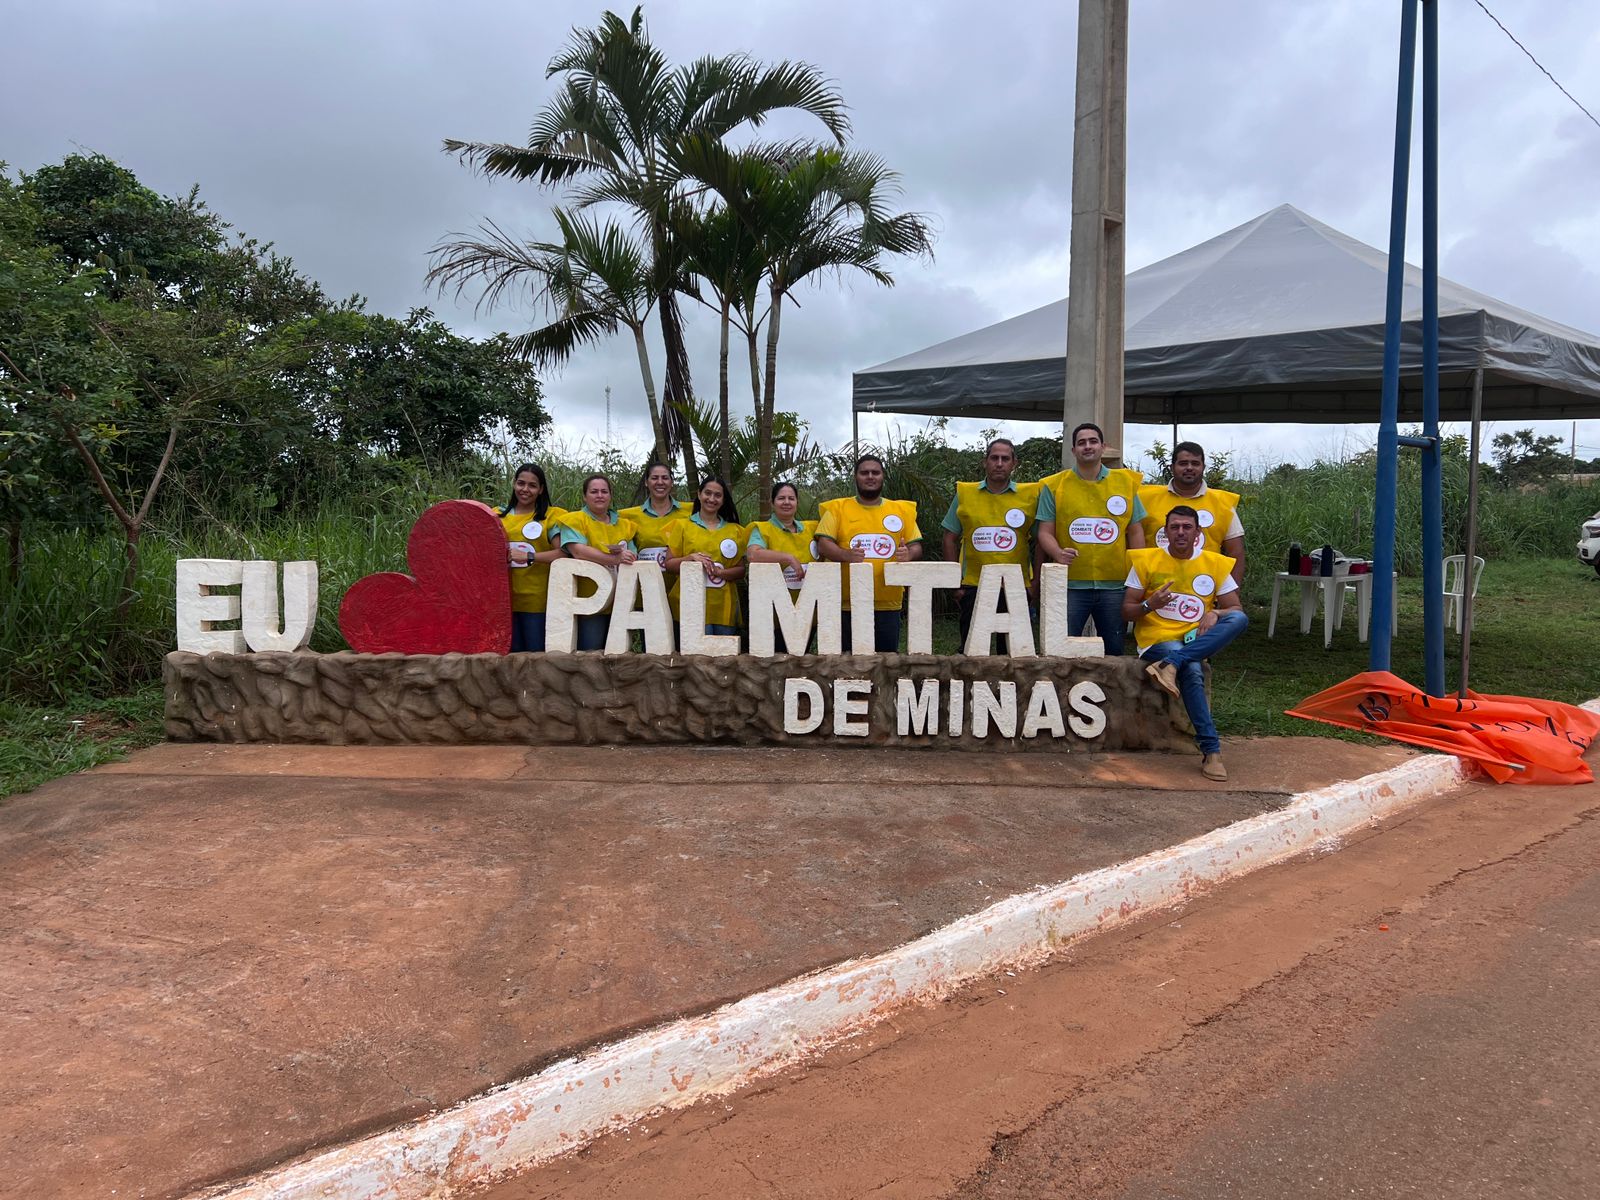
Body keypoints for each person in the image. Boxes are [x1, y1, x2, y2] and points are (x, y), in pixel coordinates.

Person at [1122, 505, 1248, 781]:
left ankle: (1172, 664)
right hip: (1158, 640)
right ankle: (1212, 751)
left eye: (1187, 527)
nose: (1181, 532)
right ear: (1166, 532)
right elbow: (1127, 611)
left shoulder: (1214, 563)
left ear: (1197, 533)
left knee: (1239, 619)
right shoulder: (1146, 560)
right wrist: (1149, 604)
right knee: (1192, 668)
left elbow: (1235, 608)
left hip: (1195, 638)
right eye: (1175, 527)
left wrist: (1216, 613)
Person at [1036, 422, 1147, 655]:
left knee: (1114, 651)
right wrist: (1057, 553)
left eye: (1093, 441)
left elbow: (1135, 531)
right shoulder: (1053, 486)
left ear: (1103, 447)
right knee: (1062, 652)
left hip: (1115, 585)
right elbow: (1044, 532)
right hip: (1070, 585)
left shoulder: (1126, 483)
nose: (1087, 446)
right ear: (1073, 450)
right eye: (1081, 443)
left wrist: (1139, 575)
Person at [940, 438, 1041, 651]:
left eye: (1005, 458)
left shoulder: (1030, 495)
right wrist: (954, 584)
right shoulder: (965, 494)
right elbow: (949, 537)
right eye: (994, 458)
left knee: (1013, 653)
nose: (999, 463)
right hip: (973, 585)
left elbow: (1042, 539)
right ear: (985, 461)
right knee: (973, 651)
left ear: (1014, 463)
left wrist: (1036, 583)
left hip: (1015, 585)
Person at [815, 454, 922, 653]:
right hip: (847, 604)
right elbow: (823, 544)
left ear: (883, 476)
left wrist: (909, 554)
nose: (870, 476)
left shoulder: (900, 510)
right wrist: (845, 555)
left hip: (888, 603)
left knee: (886, 661)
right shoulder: (837, 508)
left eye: (875, 472)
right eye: (864, 473)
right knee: (847, 662)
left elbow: (916, 546)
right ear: (855, 477)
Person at [552, 474, 639, 651]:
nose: (599, 495)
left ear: (610, 495)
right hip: (588, 603)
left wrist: (627, 557)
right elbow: (578, 551)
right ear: (585, 496)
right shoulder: (574, 520)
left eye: (604, 491)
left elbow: (633, 555)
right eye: (594, 492)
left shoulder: (626, 525)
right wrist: (614, 559)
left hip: (620, 602)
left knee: (620, 654)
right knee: (590, 654)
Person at [1137, 441, 1245, 581]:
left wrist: (1233, 591)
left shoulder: (1223, 503)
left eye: (1195, 463)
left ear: (1203, 467)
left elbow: (1236, 552)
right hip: (1155, 586)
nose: (1189, 468)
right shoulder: (1145, 498)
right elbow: (1132, 544)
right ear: (1172, 467)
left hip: (1205, 587)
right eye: (1183, 463)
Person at [664, 476, 748, 639]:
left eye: (718, 495)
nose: (712, 499)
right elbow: (669, 565)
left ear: (723, 500)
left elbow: (740, 571)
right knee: (693, 655)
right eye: (707, 493)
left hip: (724, 608)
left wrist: (719, 572)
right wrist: (690, 558)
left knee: (724, 655)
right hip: (689, 607)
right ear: (699, 494)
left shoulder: (735, 531)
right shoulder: (682, 526)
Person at [497, 462, 565, 652]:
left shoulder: (551, 517)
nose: (525, 489)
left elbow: (563, 553)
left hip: (538, 603)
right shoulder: (496, 515)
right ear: (514, 484)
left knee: (536, 660)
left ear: (541, 489)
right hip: (503, 603)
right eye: (521, 483)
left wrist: (530, 556)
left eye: (532, 485)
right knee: (509, 661)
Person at [747, 481, 820, 653]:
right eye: (781, 498)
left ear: (797, 502)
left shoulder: (812, 529)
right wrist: (788, 558)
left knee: (802, 660)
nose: (786, 502)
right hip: (774, 613)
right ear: (772, 503)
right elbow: (753, 554)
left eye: (791, 498)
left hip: (807, 611)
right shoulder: (762, 529)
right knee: (778, 661)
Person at [619, 463, 693, 572]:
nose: (660, 482)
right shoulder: (626, 516)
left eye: (665, 478)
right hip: (645, 580)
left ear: (671, 482)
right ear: (646, 482)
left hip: (683, 580)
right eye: (654, 478)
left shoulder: (691, 511)